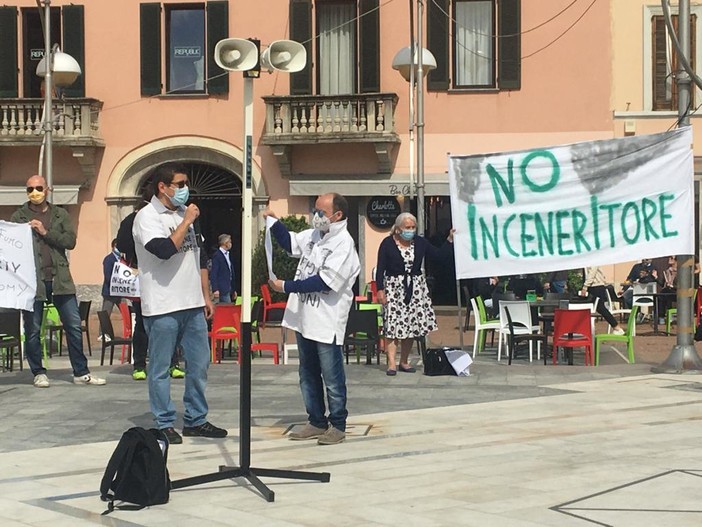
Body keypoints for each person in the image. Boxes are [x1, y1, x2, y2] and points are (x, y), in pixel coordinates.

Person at [133, 162, 226, 444]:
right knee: (160, 367)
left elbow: (199, 256)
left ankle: (196, 419)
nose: (186, 190)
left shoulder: (187, 213)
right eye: (181, 184)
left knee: (199, 364)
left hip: (191, 303)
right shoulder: (146, 217)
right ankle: (163, 421)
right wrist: (185, 222)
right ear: (163, 187)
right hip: (162, 304)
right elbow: (163, 251)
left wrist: (205, 295)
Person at [264, 193, 360, 446]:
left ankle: (337, 423)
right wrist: (274, 223)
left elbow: (324, 281)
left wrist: (285, 286)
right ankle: (316, 420)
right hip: (305, 317)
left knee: (331, 375)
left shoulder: (343, 244)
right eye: (315, 210)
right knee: (307, 372)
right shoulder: (315, 235)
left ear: (337, 215)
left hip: (326, 320)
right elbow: (290, 243)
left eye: (320, 212)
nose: (315, 216)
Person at [11, 175, 106, 388]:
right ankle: (38, 372)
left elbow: (70, 241)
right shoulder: (19, 216)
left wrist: (45, 232)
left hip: (60, 279)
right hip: (32, 281)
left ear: (47, 189)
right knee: (33, 329)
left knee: (73, 325)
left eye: (38, 188)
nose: (34, 192)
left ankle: (81, 372)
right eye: (30, 189)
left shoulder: (60, 214)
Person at [115, 195, 184, 381]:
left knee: (170, 322)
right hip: (142, 278)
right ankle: (139, 365)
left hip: (167, 278)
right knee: (143, 325)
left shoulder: (168, 217)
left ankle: (172, 363)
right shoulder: (132, 221)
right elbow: (121, 244)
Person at [375, 212, 454, 376]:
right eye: (407, 227)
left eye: (412, 227)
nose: (410, 230)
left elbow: (438, 256)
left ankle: (404, 361)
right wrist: (380, 290)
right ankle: (391, 362)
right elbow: (380, 267)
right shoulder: (387, 244)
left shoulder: (420, 242)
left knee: (410, 326)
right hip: (394, 287)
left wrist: (449, 240)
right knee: (393, 325)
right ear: (398, 229)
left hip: (416, 287)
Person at [581, 266, 625, 335]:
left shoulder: (593, 258)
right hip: (592, 286)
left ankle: (616, 327)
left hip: (596, 286)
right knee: (591, 308)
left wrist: (585, 286)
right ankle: (585, 329)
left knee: (600, 307)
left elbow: (592, 272)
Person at [210, 234, 237, 304]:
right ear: (225, 243)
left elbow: (230, 271)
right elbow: (214, 273)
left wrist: (233, 289)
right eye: (229, 242)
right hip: (222, 288)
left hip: (229, 287)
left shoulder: (228, 255)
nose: (231, 244)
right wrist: (215, 289)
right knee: (227, 308)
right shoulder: (217, 255)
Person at [100, 239, 122, 318]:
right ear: (113, 247)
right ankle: (103, 331)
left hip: (121, 293)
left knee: (127, 314)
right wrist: (116, 284)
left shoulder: (122, 259)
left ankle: (129, 329)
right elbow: (108, 276)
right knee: (105, 315)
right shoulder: (108, 259)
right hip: (109, 293)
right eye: (116, 246)